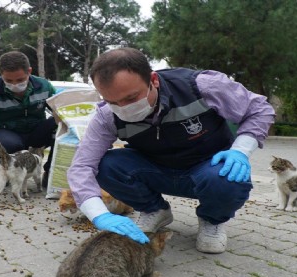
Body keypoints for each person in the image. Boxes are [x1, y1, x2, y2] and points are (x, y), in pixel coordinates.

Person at [66, 48, 275, 253]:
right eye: (112, 102)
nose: (123, 108)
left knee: (230, 178)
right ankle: (154, 210)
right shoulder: (107, 117)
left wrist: (241, 150)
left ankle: (213, 220)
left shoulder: (201, 86)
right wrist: (99, 215)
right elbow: (82, 166)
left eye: (131, 98)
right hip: (156, 170)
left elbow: (258, 109)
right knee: (106, 165)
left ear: (153, 81)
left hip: (207, 170)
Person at [0, 51, 57, 187]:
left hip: (36, 132)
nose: (14, 85)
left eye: (20, 80)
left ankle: (51, 172)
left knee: (59, 123)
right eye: (8, 81)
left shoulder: (43, 86)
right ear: (1, 74)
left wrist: (63, 104)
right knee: (4, 142)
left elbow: (61, 111)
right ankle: (6, 167)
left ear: (29, 71)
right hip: (7, 134)